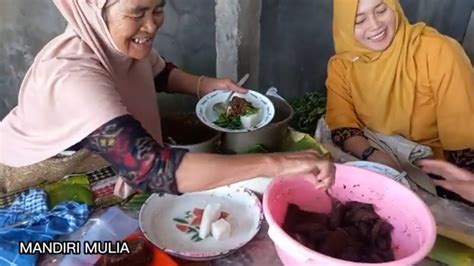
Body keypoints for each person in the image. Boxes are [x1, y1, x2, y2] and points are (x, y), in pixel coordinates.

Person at [0, 0, 335, 196]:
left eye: (158, 9)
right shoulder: (72, 78)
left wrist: (207, 85)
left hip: (95, 159)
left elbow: (158, 73)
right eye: (137, 12)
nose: (151, 26)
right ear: (93, 12)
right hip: (42, 177)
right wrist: (277, 163)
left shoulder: (116, 44)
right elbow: (152, 168)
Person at [324, 0, 473, 197]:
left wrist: (456, 190)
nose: (375, 25)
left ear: (394, 7)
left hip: (434, 171)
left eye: (381, 10)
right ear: (343, 26)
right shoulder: (342, 65)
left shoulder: (439, 52)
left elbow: (464, 144)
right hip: (375, 156)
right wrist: (373, 156)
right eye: (359, 20)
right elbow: (343, 127)